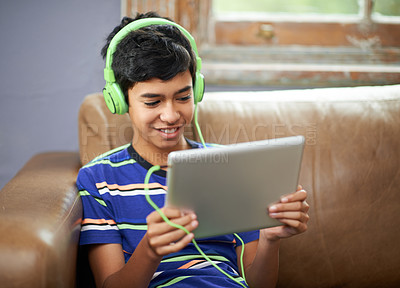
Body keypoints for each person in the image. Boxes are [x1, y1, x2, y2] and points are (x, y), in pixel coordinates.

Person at [77, 11, 310, 288]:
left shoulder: (232, 168)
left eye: (183, 97)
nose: (171, 115)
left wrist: (270, 238)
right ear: (120, 100)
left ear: (197, 90)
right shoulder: (98, 180)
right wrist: (150, 251)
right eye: (153, 102)